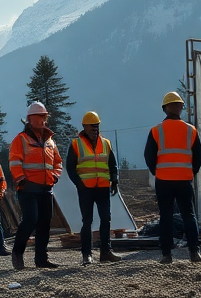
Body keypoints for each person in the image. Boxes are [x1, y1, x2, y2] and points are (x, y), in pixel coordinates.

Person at [145, 91, 201, 264]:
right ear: (180, 108)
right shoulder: (190, 130)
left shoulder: (156, 131)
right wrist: (191, 171)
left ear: (165, 109)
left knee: (166, 216)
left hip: (164, 181)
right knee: (189, 215)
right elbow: (199, 156)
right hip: (184, 180)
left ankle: (166, 255)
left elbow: (149, 156)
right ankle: (194, 253)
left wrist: (158, 172)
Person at [9, 101, 63, 270]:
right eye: (40, 116)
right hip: (28, 189)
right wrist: (21, 179)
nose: (43, 120)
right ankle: (17, 253)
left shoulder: (50, 141)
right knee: (31, 219)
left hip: (46, 188)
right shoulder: (21, 139)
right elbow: (15, 162)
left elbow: (58, 162)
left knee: (45, 223)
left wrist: (55, 175)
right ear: (30, 119)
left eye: (44, 116)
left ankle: (41, 258)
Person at [67, 110, 121, 265]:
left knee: (106, 219)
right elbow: (70, 168)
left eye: (97, 126)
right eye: (92, 126)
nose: (95, 129)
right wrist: (79, 184)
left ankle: (106, 252)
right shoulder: (76, 144)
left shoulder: (106, 143)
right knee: (87, 221)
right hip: (86, 189)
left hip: (103, 187)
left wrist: (114, 180)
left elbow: (112, 164)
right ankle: (87, 254)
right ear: (84, 127)